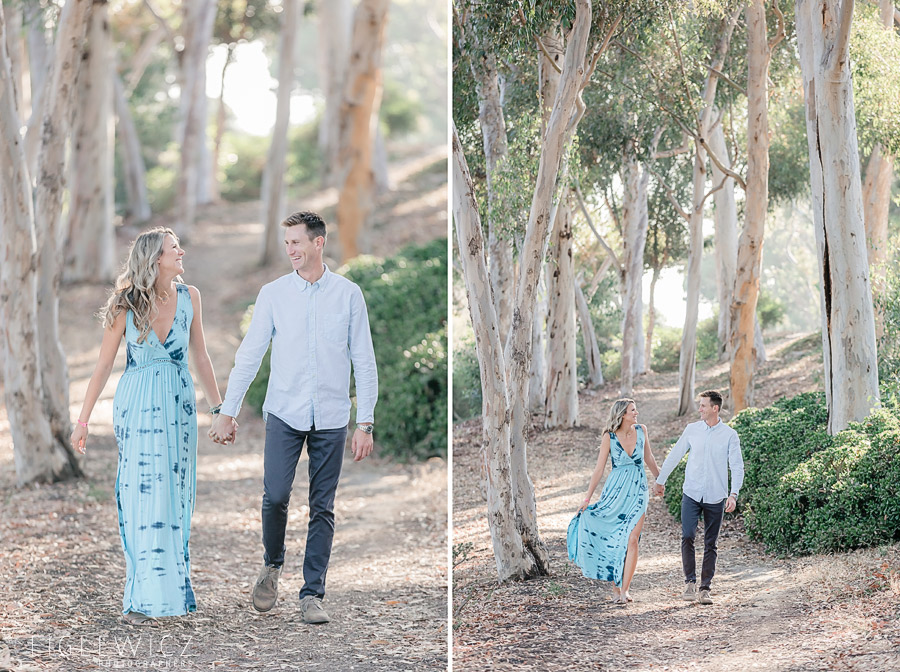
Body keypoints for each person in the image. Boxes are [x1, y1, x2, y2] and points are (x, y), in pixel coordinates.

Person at [209, 211, 378, 625]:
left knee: (323, 505)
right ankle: (271, 565)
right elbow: (250, 355)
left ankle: (312, 594)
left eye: (297, 243)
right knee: (276, 496)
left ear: (318, 243)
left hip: (334, 416)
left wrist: (365, 421)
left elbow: (364, 360)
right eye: (287, 244)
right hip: (284, 412)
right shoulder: (273, 294)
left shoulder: (348, 294)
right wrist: (227, 411)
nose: (290, 251)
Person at [69, 228, 224, 627]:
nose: (182, 252)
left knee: (174, 494)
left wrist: (218, 408)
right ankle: (139, 597)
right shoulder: (126, 303)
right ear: (156, 258)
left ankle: (173, 592)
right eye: (175, 248)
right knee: (140, 495)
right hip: (137, 404)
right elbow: (103, 365)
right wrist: (82, 421)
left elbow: (201, 357)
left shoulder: (191, 298)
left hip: (178, 404)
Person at [653, 390, 744, 605]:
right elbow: (675, 454)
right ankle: (690, 582)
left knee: (711, 543)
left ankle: (705, 588)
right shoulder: (692, 430)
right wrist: (661, 479)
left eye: (703, 405)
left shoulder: (730, 435)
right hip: (691, 493)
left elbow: (737, 466)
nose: (699, 409)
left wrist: (733, 494)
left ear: (715, 408)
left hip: (716, 496)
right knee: (687, 536)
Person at [567, 399, 660, 605]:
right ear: (622, 414)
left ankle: (625, 590)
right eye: (633, 410)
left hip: (638, 490)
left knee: (633, 539)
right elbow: (599, 469)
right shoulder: (609, 436)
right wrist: (587, 498)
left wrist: (660, 481)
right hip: (615, 492)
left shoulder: (641, 430)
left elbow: (649, 458)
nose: (637, 413)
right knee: (616, 538)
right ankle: (616, 588)